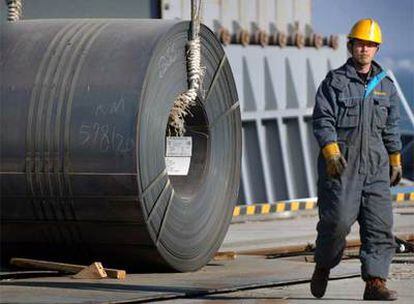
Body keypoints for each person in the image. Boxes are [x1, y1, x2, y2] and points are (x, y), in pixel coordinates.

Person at [310, 18, 402, 301]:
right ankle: (324, 264)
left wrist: (395, 158)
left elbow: (391, 126)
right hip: (342, 165)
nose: (365, 49)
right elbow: (323, 118)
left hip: (375, 167)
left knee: (380, 225)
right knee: (336, 223)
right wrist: (331, 152)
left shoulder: (386, 85)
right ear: (351, 46)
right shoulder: (334, 82)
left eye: (370, 45)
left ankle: (375, 282)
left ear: (376, 50)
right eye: (360, 44)